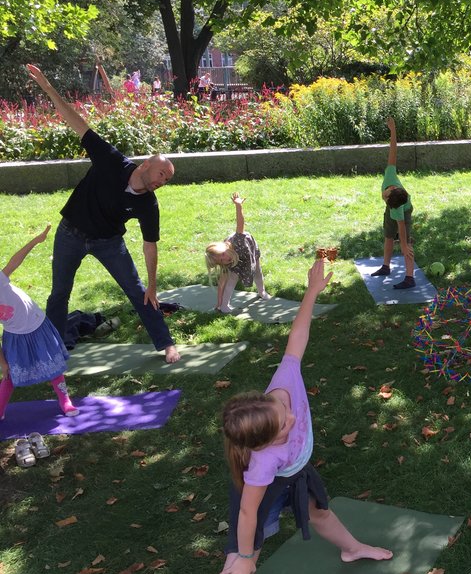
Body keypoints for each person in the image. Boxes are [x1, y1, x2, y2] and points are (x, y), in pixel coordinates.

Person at [205, 260, 392, 574]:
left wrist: (311, 292)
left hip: (296, 471)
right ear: (264, 443)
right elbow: (247, 512)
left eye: (283, 414)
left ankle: (352, 550)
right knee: (238, 565)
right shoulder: (262, 462)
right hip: (267, 490)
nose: (292, 418)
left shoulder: (283, 382)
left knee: (319, 512)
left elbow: (297, 338)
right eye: (284, 427)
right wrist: (244, 559)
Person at [26, 64, 180, 364]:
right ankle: (54, 350)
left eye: (167, 180)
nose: (162, 181)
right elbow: (77, 121)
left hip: (108, 241)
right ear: (147, 164)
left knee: (139, 293)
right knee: (59, 294)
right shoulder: (111, 160)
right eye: (161, 173)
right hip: (71, 233)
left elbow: (150, 244)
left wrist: (152, 283)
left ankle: (166, 343)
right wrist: (47, 87)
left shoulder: (148, 203)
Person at [0, 225, 77, 419]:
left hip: (38, 325)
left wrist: (36, 240)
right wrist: (3, 363)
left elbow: (15, 261)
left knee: (53, 365)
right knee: (10, 375)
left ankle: (65, 401)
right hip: (16, 336)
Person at [369, 117, 415, 289]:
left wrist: (403, 243)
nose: (384, 196)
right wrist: (393, 130)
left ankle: (410, 278)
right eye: (386, 196)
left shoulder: (397, 208)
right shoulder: (390, 175)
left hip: (405, 211)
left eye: (385, 199)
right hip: (396, 207)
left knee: (407, 244)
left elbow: (401, 226)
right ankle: (386, 267)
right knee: (388, 236)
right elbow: (393, 150)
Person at [206, 193, 271, 313]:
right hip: (237, 258)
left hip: (248, 250)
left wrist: (238, 205)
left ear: (225, 249)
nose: (225, 260)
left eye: (223, 255)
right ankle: (225, 305)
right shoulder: (226, 261)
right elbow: (222, 283)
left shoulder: (237, 240)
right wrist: (219, 303)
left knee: (257, 271)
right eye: (220, 261)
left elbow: (240, 223)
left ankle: (262, 292)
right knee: (231, 279)